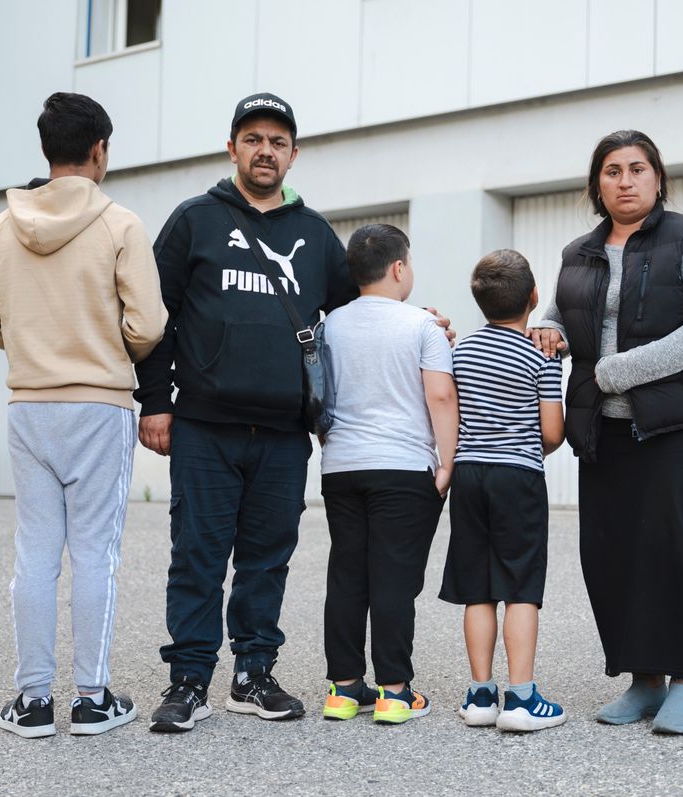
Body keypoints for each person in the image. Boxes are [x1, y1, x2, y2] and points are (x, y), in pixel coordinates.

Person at [134, 94, 452, 732]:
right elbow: (154, 318)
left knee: (266, 557)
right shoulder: (193, 220)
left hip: (283, 432)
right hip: (204, 424)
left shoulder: (314, 234)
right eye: (253, 139)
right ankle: (189, 679)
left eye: (278, 142)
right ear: (232, 149)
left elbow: (359, 308)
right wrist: (156, 403)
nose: (265, 151)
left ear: (293, 155)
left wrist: (422, 320)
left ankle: (252, 674)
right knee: (197, 553)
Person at [0, 91, 166, 738]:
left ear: (48, 150)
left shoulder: (3, 227)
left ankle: (30, 702)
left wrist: (36, 341)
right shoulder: (120, 225)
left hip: (29, 406)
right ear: (99, 150)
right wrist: (104, 343)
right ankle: (90, 699)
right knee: (95, 554)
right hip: (98, 407)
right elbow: (149, 325)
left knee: (35, 556)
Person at [531, 129, 683, 735]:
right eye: (612, 170)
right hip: (602, 428)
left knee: (672, 548)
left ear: (658, 177)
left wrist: (620, 371)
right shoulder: (579, 252)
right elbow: (563, 312)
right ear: (597, 183)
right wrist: (551, 333)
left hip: (679, 423)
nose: (625, 180)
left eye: (637, 168)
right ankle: (643, 680)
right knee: (611, 554)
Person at [318, 224, 458, 725]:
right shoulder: (422, 326)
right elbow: (440, 395)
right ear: (399, 268)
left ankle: (343, 688)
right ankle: (395, 692)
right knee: (395, 578)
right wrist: (447, 462)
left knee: (348, 575)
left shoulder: (329, 324)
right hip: (402, 467)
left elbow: (320, 395)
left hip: (342, 467)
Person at [439, 249, 567, 732]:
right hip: (518, 478)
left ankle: (479, 696)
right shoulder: (543, 354)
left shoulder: (462, 351)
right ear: (534, 297)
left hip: (470, 476)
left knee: (478, 587)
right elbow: (552, 432)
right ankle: (521, 699)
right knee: (520, 588)